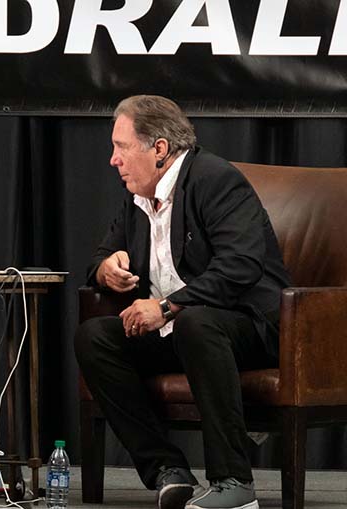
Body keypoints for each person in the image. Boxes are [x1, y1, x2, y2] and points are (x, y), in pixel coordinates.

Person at [73, 95, 290, 509]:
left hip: (250, 327)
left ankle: (234, 484)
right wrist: (107, 268)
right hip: (181, 333)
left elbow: (241, 265)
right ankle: (166, 469)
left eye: (121, 147)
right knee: (95, 336)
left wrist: (167, 306)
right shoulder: (137, 196)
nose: (113, 160)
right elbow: (98, 259)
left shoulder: (214, 179)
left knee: (197, 322)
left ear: (158, 148)